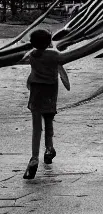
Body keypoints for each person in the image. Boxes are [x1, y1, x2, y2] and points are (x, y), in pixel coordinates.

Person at [22, 29, 70, 180]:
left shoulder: (32, 55)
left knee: (36, 128)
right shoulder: (54, 55)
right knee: (48, 123)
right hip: (50, 94)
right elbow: (61, 67)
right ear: (49, 42)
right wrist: (66, 81)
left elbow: (31, 71)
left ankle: (34, 157)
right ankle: (49, 149)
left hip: (36, 93)